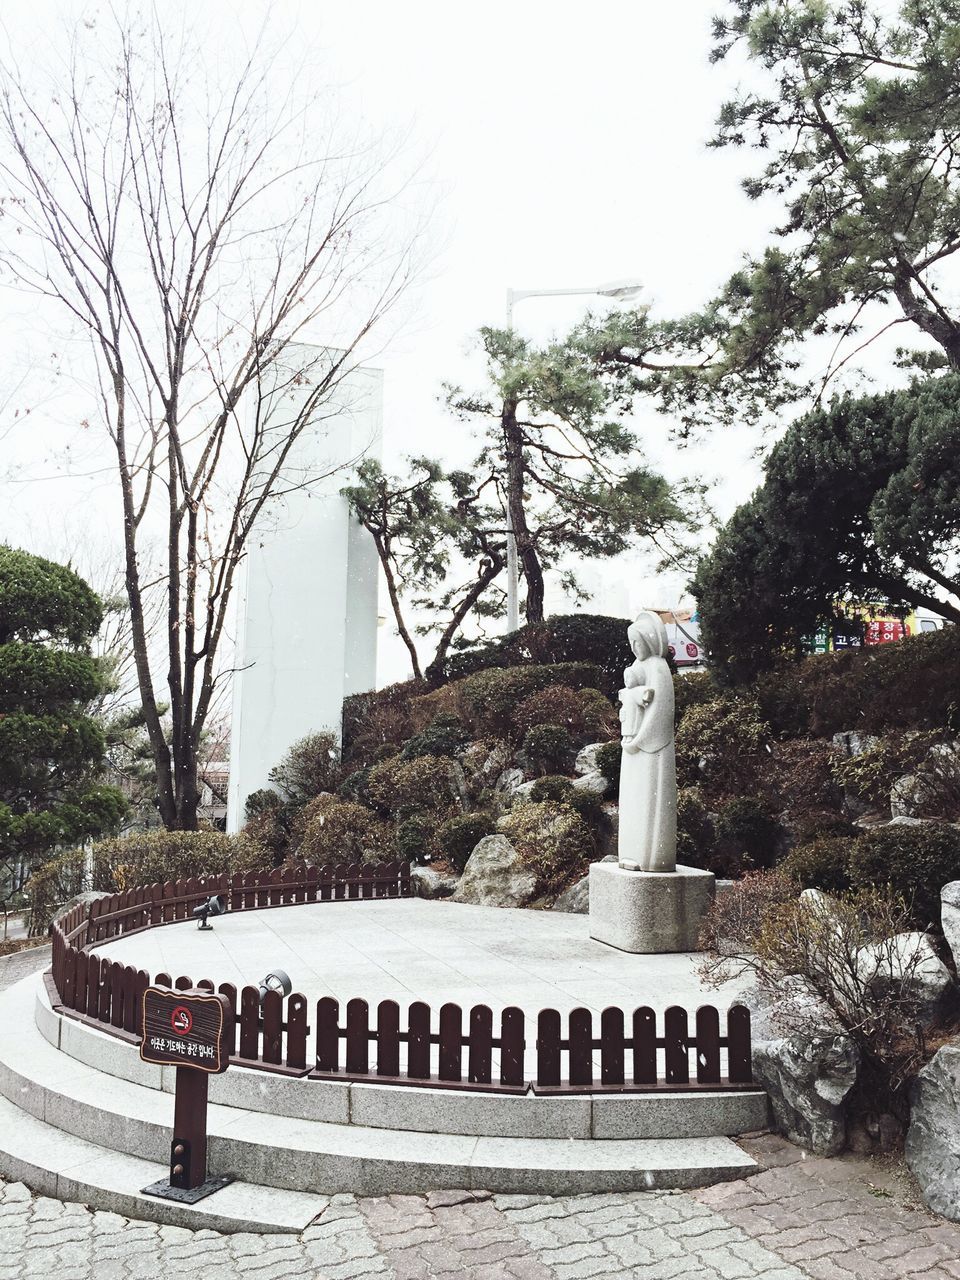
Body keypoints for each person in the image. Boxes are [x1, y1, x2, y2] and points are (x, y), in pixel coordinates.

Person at [617, 612, 677, 873]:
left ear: (649, 642)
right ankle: (630, 851)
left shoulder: (657, 667)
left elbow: (660, 710)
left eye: (638, 643)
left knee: (650, 799)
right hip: (631, 743)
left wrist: (640, 739)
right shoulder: (638, 666)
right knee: (632, 798)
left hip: (649, 746)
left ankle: (650, 856)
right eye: (632, 645)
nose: (635, 649)